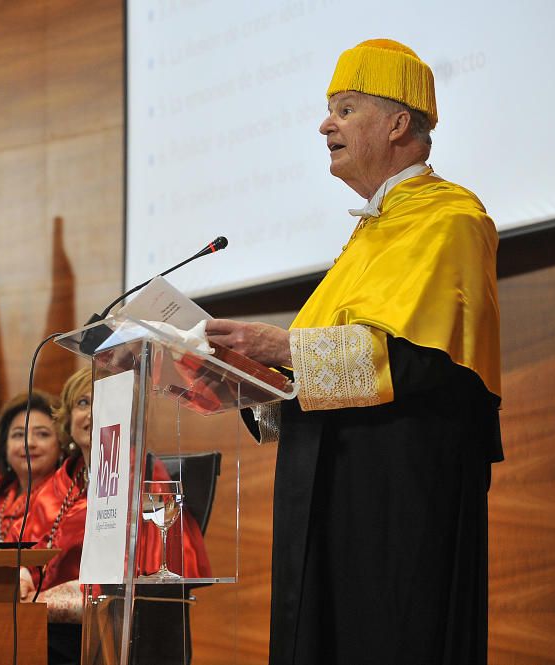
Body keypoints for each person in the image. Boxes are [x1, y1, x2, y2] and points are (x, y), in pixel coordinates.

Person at [205, 39, 502, 665]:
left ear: (398, 124)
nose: (324, 124)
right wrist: (245, 376)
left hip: (394, 495)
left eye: (344, 108)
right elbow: (318, 365)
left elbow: (419, 360)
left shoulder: (451, 219)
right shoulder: (369, 232)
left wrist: (279, 345)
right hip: (326, 480)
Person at [20, 367, 211, 665]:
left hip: (113, 629)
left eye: (105, 403)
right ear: (68, 419)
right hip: (51, 626)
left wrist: (50, 600)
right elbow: (31, 553)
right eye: (83, 403)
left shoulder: (144, 476)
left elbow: (140, 575)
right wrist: (22, 579)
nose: (93, 413)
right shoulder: (61, 482)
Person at [0, 390, 65, 542]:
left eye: (42, 434)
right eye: (18, 435)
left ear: (61, 444)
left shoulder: (68, 501)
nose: (29, 443)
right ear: (5, 446)